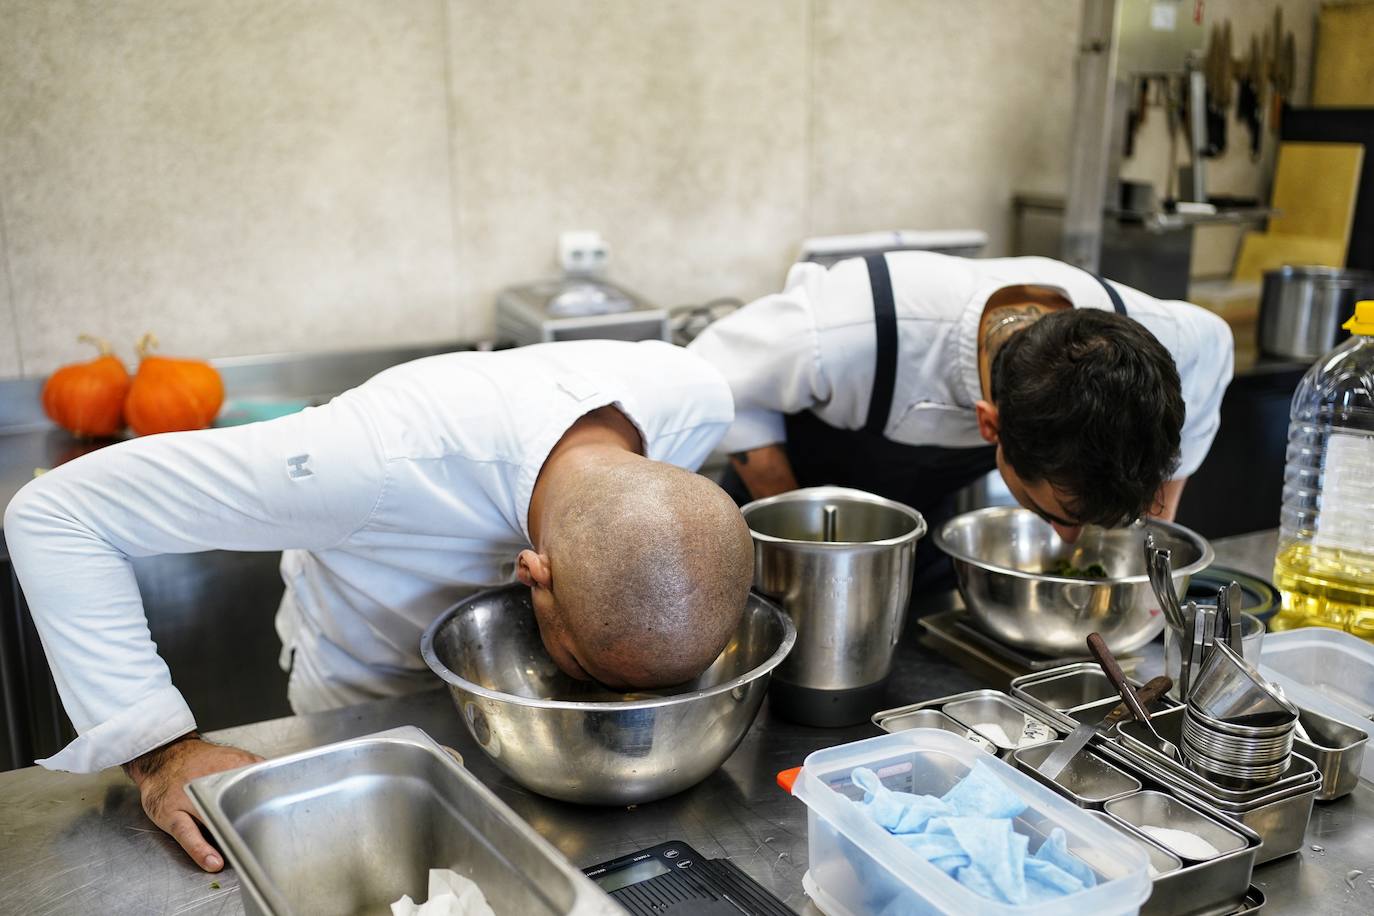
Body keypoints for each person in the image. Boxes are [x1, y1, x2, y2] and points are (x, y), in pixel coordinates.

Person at [4, 339, 754, 872]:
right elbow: (56, 513)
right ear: (534, 576)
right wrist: (160, 753)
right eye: (593, 668)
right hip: (365, 710)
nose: (611, 694)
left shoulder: (694, 397)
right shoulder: (364, 465)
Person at [688, 252, 1234, 580]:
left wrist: (1153, 548)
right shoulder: (854, 330)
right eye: (1059, 516)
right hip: (784, 531)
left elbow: (1217, 341)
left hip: (922, 532)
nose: (1071, 542)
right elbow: (713, 370)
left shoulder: (1160, 339)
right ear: (990, 424)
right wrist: (804, 545)